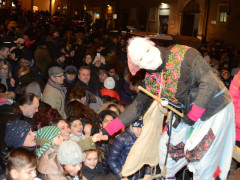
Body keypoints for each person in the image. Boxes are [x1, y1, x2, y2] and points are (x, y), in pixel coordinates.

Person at [101, 37, 235, 180]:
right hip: (187, 115)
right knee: (166, 149)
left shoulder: (185, 55)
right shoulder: (151, 80)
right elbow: (137, 107)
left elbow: (209, 83)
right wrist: (108, 130)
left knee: (200, 155)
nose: (147, 57)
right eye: (141, 59)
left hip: (214, 109)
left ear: (152, 45)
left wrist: (193, 116)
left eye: (147, 50)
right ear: (139, 65)